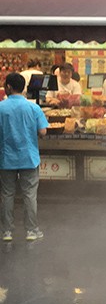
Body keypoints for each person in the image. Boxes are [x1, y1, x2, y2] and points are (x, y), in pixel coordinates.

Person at [0, 73, 48, 242]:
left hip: (6, 158)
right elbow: (43, 131)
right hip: (29, 157)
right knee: (29, 195)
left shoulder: (1, 107)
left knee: (7, 194)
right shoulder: (33, 108)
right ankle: (32, 230)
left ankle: (7, 231)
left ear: (8, 87)